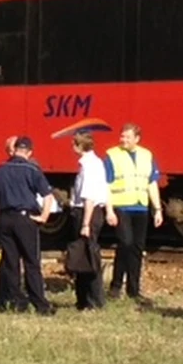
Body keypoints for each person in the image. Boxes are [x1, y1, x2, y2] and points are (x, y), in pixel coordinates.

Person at [0, 136, 57, 315]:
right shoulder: (32, 170)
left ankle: (16, 302)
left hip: (4, 219)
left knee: (10, 262)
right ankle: (40, 304)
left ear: (14, 149)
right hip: (25, 219)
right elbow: (48, 197)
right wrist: (43, 217)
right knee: (31, 262)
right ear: (29, 152)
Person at [104, 123, 163, 302]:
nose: (123, 139)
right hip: (121, 206)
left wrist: (158, 209)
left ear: (137, 138)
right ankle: (115, 286)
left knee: (137, 248)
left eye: (127, 137)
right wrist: (109, 210)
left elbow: (151, 183)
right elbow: (106, 184)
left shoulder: (147, 155)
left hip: (141, 206)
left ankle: (134, 290)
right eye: (122, 136)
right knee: (125, 243)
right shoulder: (112, 155)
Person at [67, 131, 110, 310]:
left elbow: (89, 197)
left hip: (86, 213)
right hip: (92, 212)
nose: (71, 147)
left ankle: (91, 300)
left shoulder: (88, 166)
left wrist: (85, 223)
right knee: (87, 255)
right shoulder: (97, 162)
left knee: (86, 256)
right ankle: (87, 300)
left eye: (73, 144)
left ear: (79, 146)